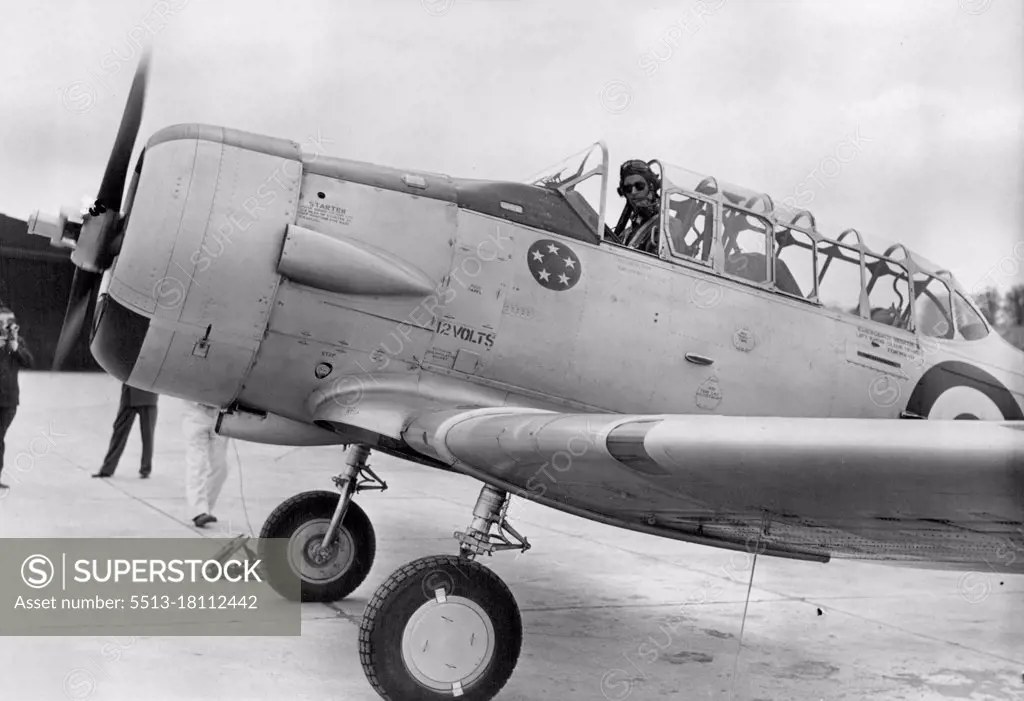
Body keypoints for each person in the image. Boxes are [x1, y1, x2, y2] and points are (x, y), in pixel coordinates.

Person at [93, 383, 159, 478]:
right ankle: (107, 469)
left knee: (147, 434)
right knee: (119, 430)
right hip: (131, 393)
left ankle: (145, 469)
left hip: (147, 392)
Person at [0, 307, 34, 490]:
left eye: (8, 323)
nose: (5, 327)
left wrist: (15, 347)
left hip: (9, 400)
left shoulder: (16, 343)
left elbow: (29, 362)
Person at [182, 400, 230, 528]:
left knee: (221, 467)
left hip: (220, 413)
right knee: (197, 464)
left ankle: (206, 507)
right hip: (195, 413)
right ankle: (199, 511)